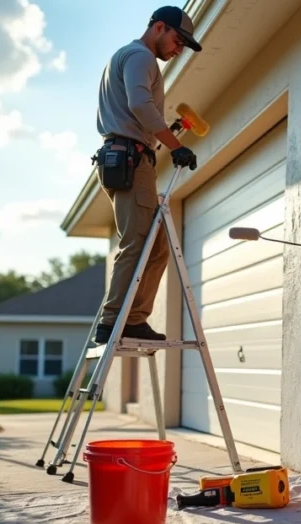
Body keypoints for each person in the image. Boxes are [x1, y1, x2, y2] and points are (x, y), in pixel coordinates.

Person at [92, 6, 201, 344]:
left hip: (126, 156)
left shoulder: (124, 57)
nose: (178, 48)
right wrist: (175, 146)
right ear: (158, 28)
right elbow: (140, 104)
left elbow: (135, 115)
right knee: (136, 243)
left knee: (156, 247)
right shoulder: (142, 57)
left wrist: (162, 134)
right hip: (130, 161)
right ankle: (115, 322)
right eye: (177, 40)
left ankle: (133, 318)